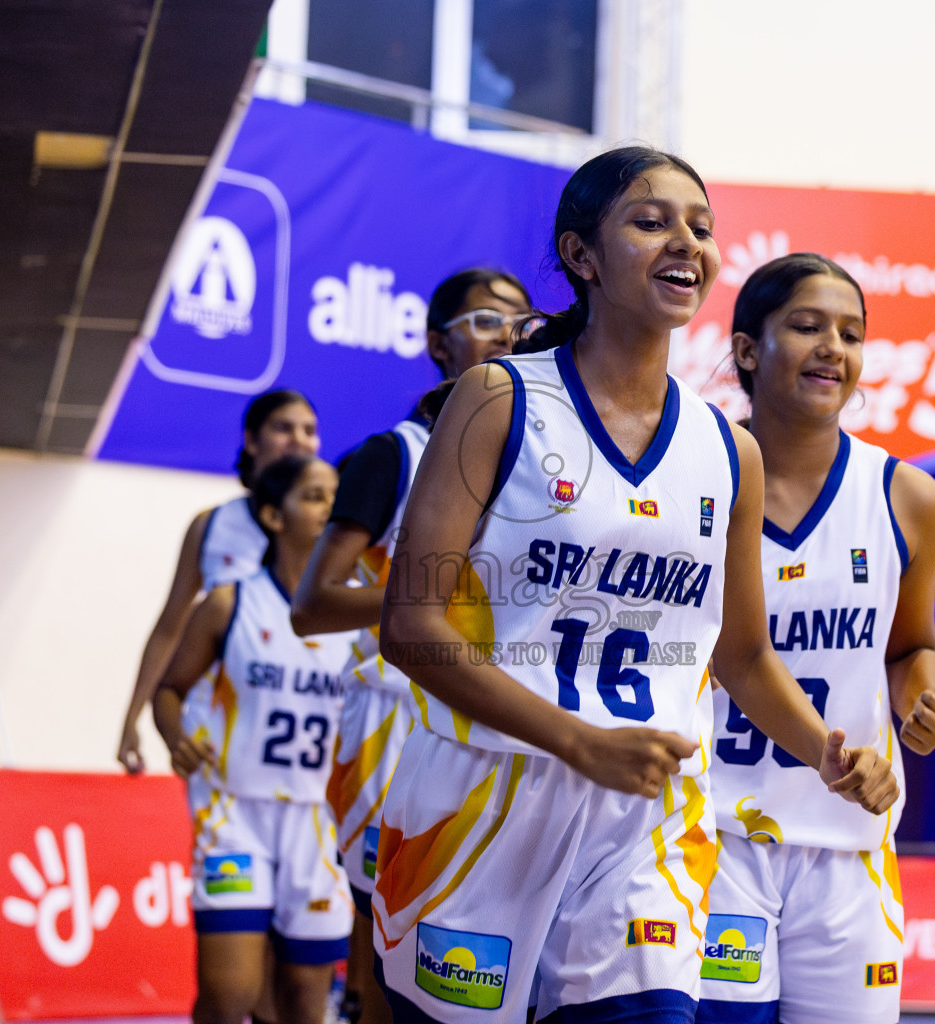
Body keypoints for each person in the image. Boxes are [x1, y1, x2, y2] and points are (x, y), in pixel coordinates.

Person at [369, 147, 899, 1023]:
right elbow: (412, 623)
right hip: (479, 801)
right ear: (581, 256)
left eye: (699, 226)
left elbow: (742, 656)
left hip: (646, 819)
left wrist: (826, 751)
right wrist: (575, 740)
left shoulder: (730, 451)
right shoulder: (496, 399)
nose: (684, 241)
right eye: (650, 222)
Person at [696, 254, 935, 1024]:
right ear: (748, 349)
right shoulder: (696, 477)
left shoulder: (906, 496)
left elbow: (909, 646)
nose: (833, 349)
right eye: (808, 327)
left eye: (851, 334)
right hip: (716, 828)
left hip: (851, 836)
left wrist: (923, 707)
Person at [290, 268, 535, 1024]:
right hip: (395, 722)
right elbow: (312, 605)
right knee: (386, 947)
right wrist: (433, 603)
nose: (509, 336)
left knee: (489, 953)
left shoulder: (535, 458)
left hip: (502, 719)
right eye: (488, 321)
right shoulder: (393, 454)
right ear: (438, 345)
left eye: (521, 323)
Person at [153, 453, 354, 1024]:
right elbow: (170, 687)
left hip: (319, 821)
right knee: (230, 994)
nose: (330, 509)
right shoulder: (229, 602)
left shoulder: (356, 611)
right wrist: (173, 735)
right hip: (233, 811)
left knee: (303, 1002)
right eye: (315, 496)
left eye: (336, 497)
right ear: (272, 514)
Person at [118, 389, 321, 774]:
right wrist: (133, 719)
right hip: (218, 721)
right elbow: (169, 628)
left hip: (303, 719)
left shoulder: (334, 529)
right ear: (250, 440)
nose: (299, 439)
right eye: (284, 428)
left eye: (309, 430)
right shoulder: (212, 524)